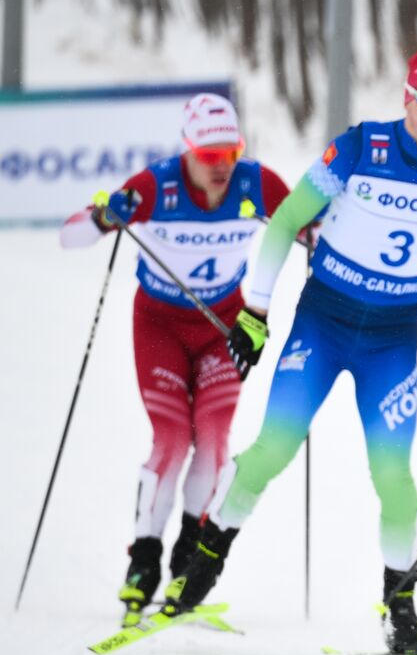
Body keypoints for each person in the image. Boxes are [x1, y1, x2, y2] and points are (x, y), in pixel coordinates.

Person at [162, 46, 417, 655]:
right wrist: (255, 310)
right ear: (407, 98)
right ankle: (202, 564)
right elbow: (285, 223)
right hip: (324, 322)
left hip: (392, 336)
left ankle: (400, 609)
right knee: (273, 448)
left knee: (395, 478)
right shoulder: (358, 149)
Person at [59, 93, 290, 626]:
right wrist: (102, 217)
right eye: (209, 156)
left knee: (211, 437)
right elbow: (70, 237)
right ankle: (143, 561)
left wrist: (314, 236)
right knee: (170, 438)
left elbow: (311, 223)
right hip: (160, 325)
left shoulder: (258, 184)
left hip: (222, 328)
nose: (222, 167)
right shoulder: (154, 186)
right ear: (187, 151)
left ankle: (188, 556)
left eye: (231, 152)